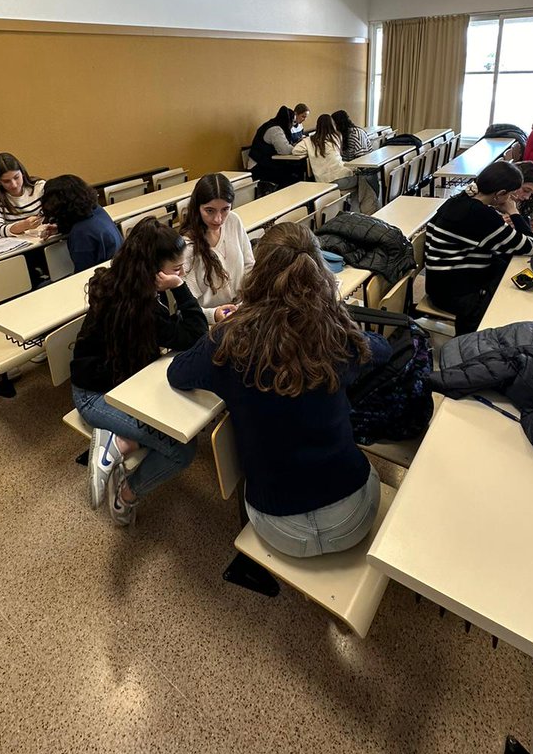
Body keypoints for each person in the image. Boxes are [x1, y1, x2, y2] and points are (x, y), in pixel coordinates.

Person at [167, 223, 390, 558]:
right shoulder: (335, 334)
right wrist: (334, 315)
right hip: (355, 516)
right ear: (318, 272)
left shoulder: (229, 340)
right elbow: (382, 351)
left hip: (278, 524)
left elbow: (178, 372)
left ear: (258, 273)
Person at [70, 218, 208, 526]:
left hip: (128, 387)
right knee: (181, 449)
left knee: (175, 421)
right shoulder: (141, 307)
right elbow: (194, 334)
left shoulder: (125, 284)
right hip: (98, 398)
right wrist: (181, 289)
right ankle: (127, 493)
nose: (181, 274)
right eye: (176, 270)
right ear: (154, 270)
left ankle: (121, 441)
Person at [424, 161, 533, 334]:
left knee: (510, 269)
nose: (511, 199)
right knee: (518, 292)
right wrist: (514, 212)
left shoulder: (458, 201)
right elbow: (532, 248)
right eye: (510, 195)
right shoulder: (481, 215)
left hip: (439, 284)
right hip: (456, 294)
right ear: (500, 194)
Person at [180, 174, 254, 323]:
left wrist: (246, 300)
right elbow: (187, 306)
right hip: (209, 322)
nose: (218, 219)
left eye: (225, 209)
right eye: (210, 211)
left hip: (241, 309)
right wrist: (213, 315)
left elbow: (249, 266)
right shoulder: (187, 246)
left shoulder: (234, 221)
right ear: (197, 207)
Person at [41, 174, 123, 272]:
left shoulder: (80, 234)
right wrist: (60, 228)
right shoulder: (97, 210)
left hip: (104, 279)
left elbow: (83, 273)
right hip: (119, 270)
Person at [0, 153, 46, 238]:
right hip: (18, 246)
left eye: (16, 177)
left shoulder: (39, 186)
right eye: (6, 181)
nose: (14, 185)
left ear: (22, 173)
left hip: (45, 239)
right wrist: (22, 226)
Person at [249, 106, 305, 187]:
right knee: (291, 177)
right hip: (258, 167)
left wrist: (294, 145)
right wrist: (298, 147)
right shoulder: (275, 130)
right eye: (292, 122)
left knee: (293, 171)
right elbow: (285, 150)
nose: (293, 125)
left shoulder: (276, 125)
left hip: (266, 162)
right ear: (288, 121)